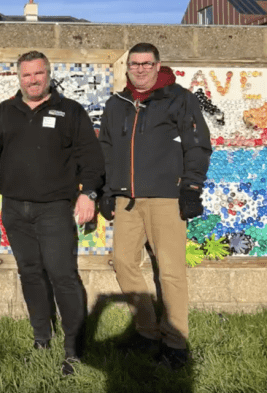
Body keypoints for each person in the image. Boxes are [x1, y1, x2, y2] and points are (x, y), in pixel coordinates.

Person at [0, 51, 105, 376]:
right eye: (27, 75)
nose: (33, 80)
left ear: (48, 74)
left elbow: (91, 156)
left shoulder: (69, 111)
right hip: (15, 209)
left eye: (39, 74)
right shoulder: (5, 112)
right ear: (20, 77)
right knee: (30, 274)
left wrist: (89, 193)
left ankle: (74, 349)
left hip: (56, 210)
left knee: (63, 276)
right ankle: (41, 340)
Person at [98, 42, 212, 370]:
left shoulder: (180, 99)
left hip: (167, 198)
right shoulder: (116, 104)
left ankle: (176, 344)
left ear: (158, 65)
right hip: (127, 200)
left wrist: (191, 188)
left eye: (147, 64)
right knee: (123, 263)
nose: (141, 69)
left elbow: (198, 145)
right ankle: (147, 332)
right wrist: (107, 190)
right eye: (135, 64)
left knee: (171, 271)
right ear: (128, 67)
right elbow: (106, 148)